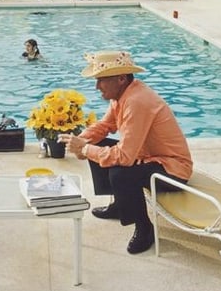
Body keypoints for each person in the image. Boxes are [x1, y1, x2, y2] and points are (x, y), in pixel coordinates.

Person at [60, 51, 193, 255]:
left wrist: (85, 149)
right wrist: (81, 141)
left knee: (120, 172)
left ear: (121, 79)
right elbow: (105, 125)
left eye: (101, 80)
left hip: (172, 169)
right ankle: (119, 205)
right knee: (100, 144)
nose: (97, 87)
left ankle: (144, 228)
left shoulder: (137, 101)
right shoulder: (122, 95)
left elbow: (125, 157)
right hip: (149, 158)